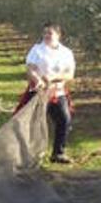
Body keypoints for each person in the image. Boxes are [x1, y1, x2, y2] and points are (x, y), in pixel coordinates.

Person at [25, 22, 76, 163]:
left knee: (64, 120)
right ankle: (31, 154)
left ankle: (58, 153)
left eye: (50, 33)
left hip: (57, 93)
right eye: (45, 33)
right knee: (33, 123)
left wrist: (53, 78)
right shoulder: (37, 50)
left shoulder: (66, 53)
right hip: (38, 92)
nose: (46, 36)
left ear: (58, 35)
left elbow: (69, 74)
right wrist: (38, 80)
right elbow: (30, 69)